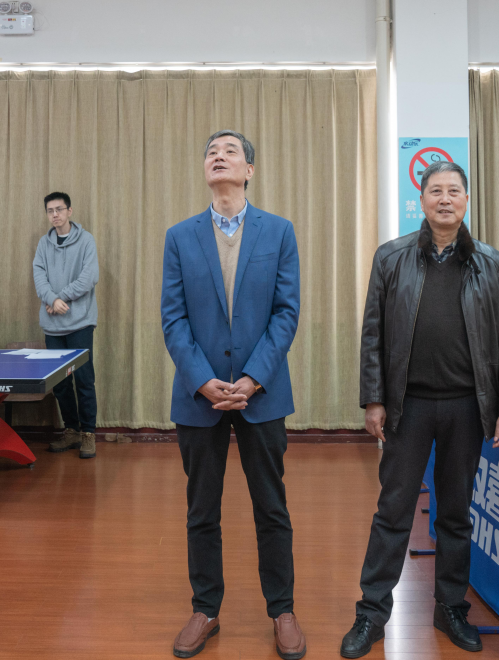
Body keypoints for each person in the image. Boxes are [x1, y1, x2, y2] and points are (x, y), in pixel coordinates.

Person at [340, 160, 499, 658]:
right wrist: (373, 399)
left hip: (467, 407)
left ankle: (451, 607)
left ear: (466, 200)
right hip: (409, 407)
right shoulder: (391, 257)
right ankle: (371, 612)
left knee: (456, 514)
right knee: (393, 511)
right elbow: (373, 334)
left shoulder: (491, 263)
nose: (445, 199)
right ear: (421, 201)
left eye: (454, 191)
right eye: (435, 191)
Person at [161, 130, 307, 660]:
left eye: (229, 152)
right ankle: (205, 608)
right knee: (201, 510)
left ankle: (282, 610)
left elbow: (286, 313)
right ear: (205, 170)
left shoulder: (279, 231)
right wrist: (203, 380)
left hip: (260, 395)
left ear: (249, 171)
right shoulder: (180, 236)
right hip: (198, 397)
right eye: (210, 152)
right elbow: (173, 318)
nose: (218, 157)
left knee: (271, 507)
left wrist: (253, 378)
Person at [32, 191, 100, 458]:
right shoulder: (43, 243)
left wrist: (60, 297)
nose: (55, 215)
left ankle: (88, 434)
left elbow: (89, 277)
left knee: (84, 380)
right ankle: (71, 430)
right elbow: (39, 276)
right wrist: (51, 299)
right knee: (60, 383)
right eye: (50, 211)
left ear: (69, 211)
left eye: (59, 209)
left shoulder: (86, 240)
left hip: (80, 323)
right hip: (52, 326)